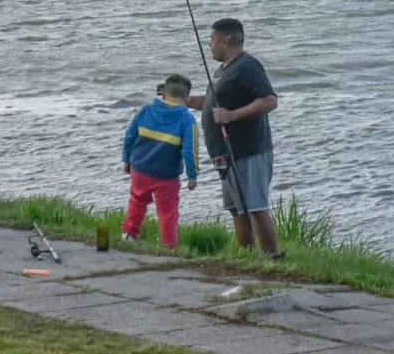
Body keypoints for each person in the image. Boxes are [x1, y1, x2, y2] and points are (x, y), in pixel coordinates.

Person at [188, 18, 282, 257]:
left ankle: (273, 259)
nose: (209, 46)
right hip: (227, 154)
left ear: (225, 40)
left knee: (256, 207)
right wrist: (182, 100)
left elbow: (269, 100)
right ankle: (247, 258)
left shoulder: (247, 66)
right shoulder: (225, 70)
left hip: (248, 150)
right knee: (237, 209)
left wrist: (232, 116)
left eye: (211, 41)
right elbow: (212, 104)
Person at [121, 74, 199, 247]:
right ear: (187, 99)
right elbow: (190, 151)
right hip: (167, 175)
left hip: (140, 168)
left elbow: (130, 136)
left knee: (137, 201)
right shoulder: (187, 120)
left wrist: (126, 159)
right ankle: (169, 246)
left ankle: (129, 234)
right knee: (168, 212)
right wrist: (192, 175)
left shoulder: (145, 111)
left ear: (163, 94)